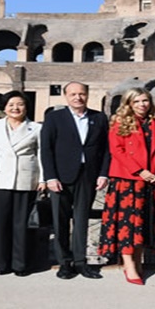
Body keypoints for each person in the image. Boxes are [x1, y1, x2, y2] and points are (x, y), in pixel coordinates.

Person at [98, 88, 155, 285]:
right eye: (137, 101)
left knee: (143, 222)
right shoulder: (119, 122)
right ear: (129, 104)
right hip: (126, 179)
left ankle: (137, 260)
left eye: (145, 100)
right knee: (126, 223)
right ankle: (129, 264)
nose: (142, 104)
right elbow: (117, 150)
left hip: (150, 181)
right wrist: (139, 170)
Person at [40, 81, 110, 280]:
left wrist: (103, 174)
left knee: (82, 220)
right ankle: (64, 263)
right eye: (73, 94)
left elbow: (106, 149)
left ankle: (81, 262)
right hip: (60, 178)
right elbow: (46, 149)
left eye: (81, 94)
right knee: (60, 221)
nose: (77, 97)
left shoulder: (99, 118)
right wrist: (50, 177)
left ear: (87, 95)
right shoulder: (54, 118)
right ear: (66, 96)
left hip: (87, 176)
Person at [0, 90, 45, 277]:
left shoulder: (36, 128)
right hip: (0, 179)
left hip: (26, 178)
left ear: (26, 107)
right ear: (4, 107)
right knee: (0, 224)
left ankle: (20, 264)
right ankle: (1, 262)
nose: (15, 108)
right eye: (11, 104)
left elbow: (41, 155)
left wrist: (43, 178)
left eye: (19, 104)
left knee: (21, 224)